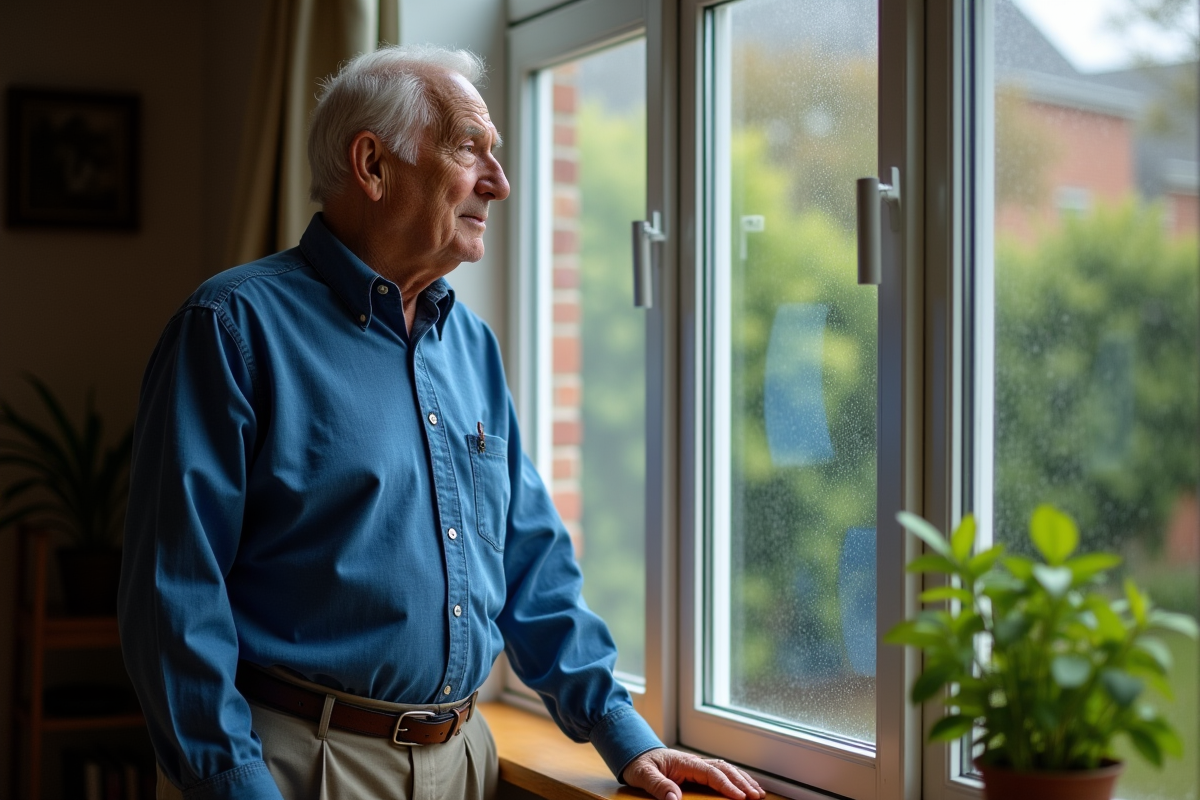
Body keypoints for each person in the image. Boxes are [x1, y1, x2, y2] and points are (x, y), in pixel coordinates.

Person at [118, 44, 766, 800]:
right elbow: (175, 601)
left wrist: (621, 732)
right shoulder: (229, 328)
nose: (500, 182)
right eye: (470, 149)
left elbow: (529, 561)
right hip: (294, 766)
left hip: (464, 763)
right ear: (373, 165)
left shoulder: (472, 347)